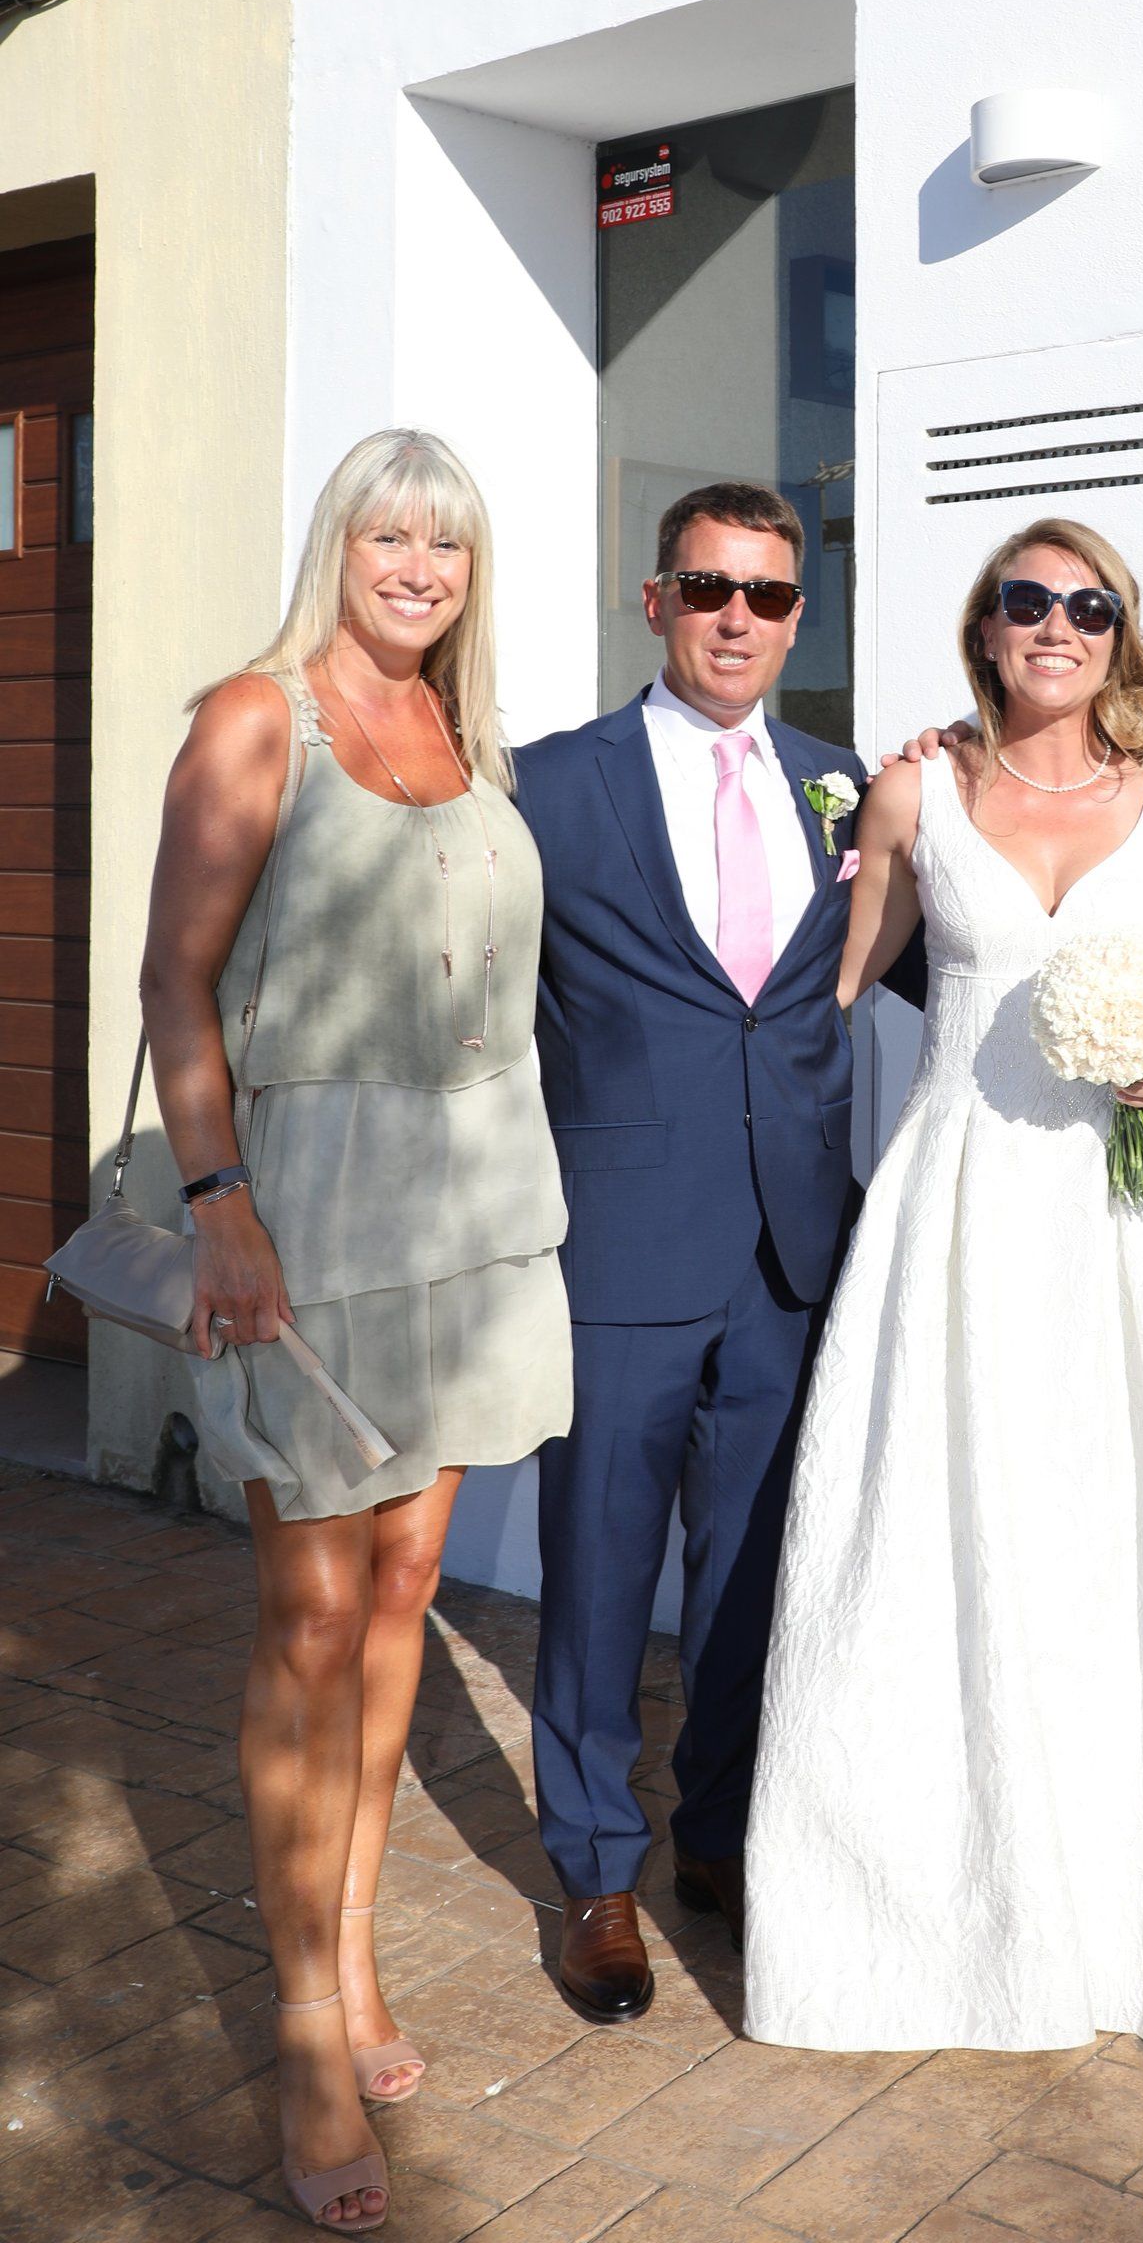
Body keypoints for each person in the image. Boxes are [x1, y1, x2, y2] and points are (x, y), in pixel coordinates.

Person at [744, 522, 1143, 2057]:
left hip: (1123, 1220)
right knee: (930, 1530)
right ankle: (921, 1898)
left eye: (1088, 605)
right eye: (1027, 601)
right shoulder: (916, 791)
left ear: (1120, 632)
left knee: (1114, 1525)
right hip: (957, 1210)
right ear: (985, 629)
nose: (1057, 625)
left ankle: (1125, 1897)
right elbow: (825, 986)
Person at [140, 430, 572, 2229]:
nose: (417, 566)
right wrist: (219, 1203)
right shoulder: (261, 720)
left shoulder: (472, 735)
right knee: (310, 1617)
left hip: (474, 1217)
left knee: (404, 1590)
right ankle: (305, 2024)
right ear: (341, 544)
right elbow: (175, 979)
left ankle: (360, 1948)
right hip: (305, 1220)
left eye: (445, 543)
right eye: (389, 535)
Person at [515, 482, 915, 2022]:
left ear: (800, 618)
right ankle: (594, 1870)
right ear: (655, 601)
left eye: (766, 594)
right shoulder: (552, 785)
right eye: (706, 588)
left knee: (754, 1573)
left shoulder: (845, 790)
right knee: (599, 1572)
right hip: (618, 1246)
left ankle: (721, 1836)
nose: (736, 618)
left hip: (790, 1253)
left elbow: (949, 953)